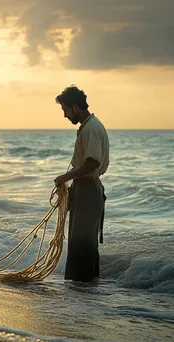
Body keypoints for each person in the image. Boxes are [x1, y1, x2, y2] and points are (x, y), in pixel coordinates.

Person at [54, 85, 109, 282]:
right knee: (81, 242)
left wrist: (64, 178)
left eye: (65, 111)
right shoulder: (88, 126)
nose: (65, 116)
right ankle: (82, 298)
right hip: (84, 189)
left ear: (75, 108)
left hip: (87, 190)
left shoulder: (91, 129)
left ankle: (82, 296)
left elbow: (92, 163)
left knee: (82, 243)